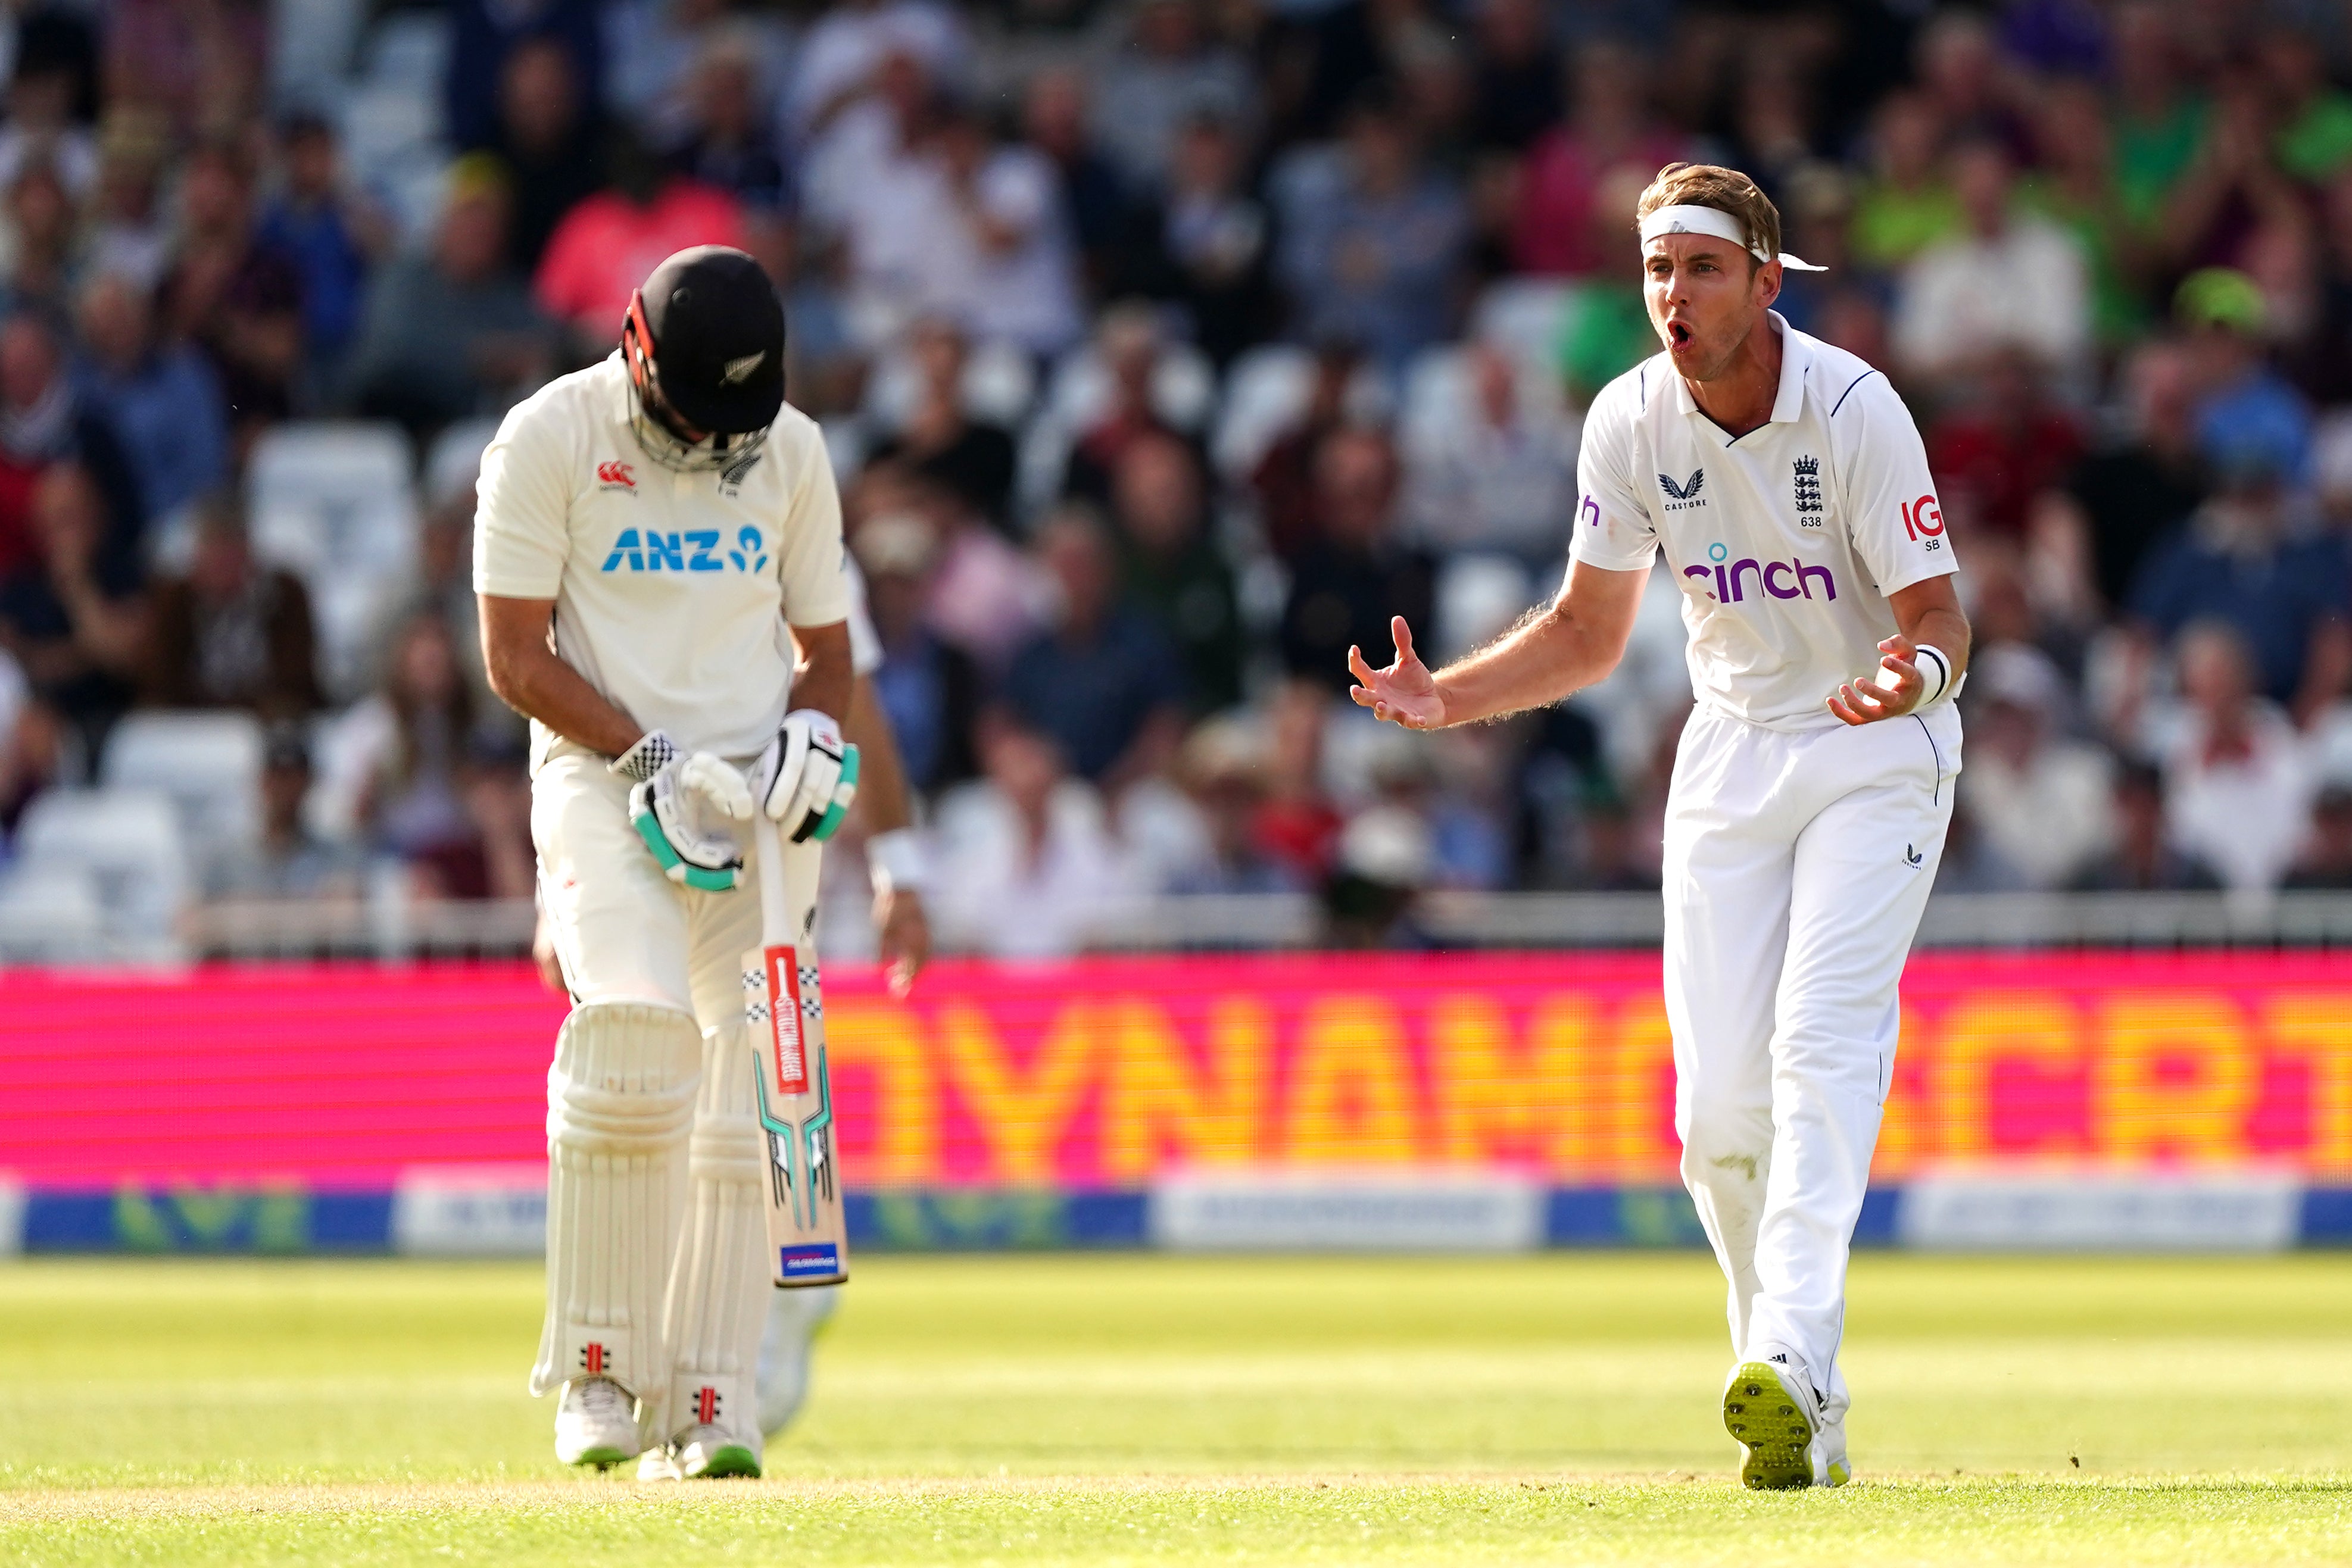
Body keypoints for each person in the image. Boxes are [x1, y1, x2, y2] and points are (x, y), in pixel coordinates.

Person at [1347, 163, 1969, 1489]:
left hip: (1874, 748)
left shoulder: (1854, 408)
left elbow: (1941, 622)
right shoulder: (1629, 418)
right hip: (1732, 749)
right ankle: (1791, 1389)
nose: (1670, 297)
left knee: (1817, 1047)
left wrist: (1907, 676)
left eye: (1697, 270)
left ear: (1761, 278)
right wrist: (1444, 698)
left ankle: (1796, 1355)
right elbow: (1584, 631)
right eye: (1653, 272)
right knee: (1711, 1126)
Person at [475, 246, 859, 1480]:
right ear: (638, 352)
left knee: (747, 1090)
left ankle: (711, 1399)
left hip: (751, 807)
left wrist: (813, 732)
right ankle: (597, 1372)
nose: (717, 444)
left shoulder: (790, 450)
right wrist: (645, 760)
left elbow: (826, 648)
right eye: (699, 416)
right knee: (636, 1039)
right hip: (603, 782)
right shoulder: (547, 439)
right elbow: (515, 660)